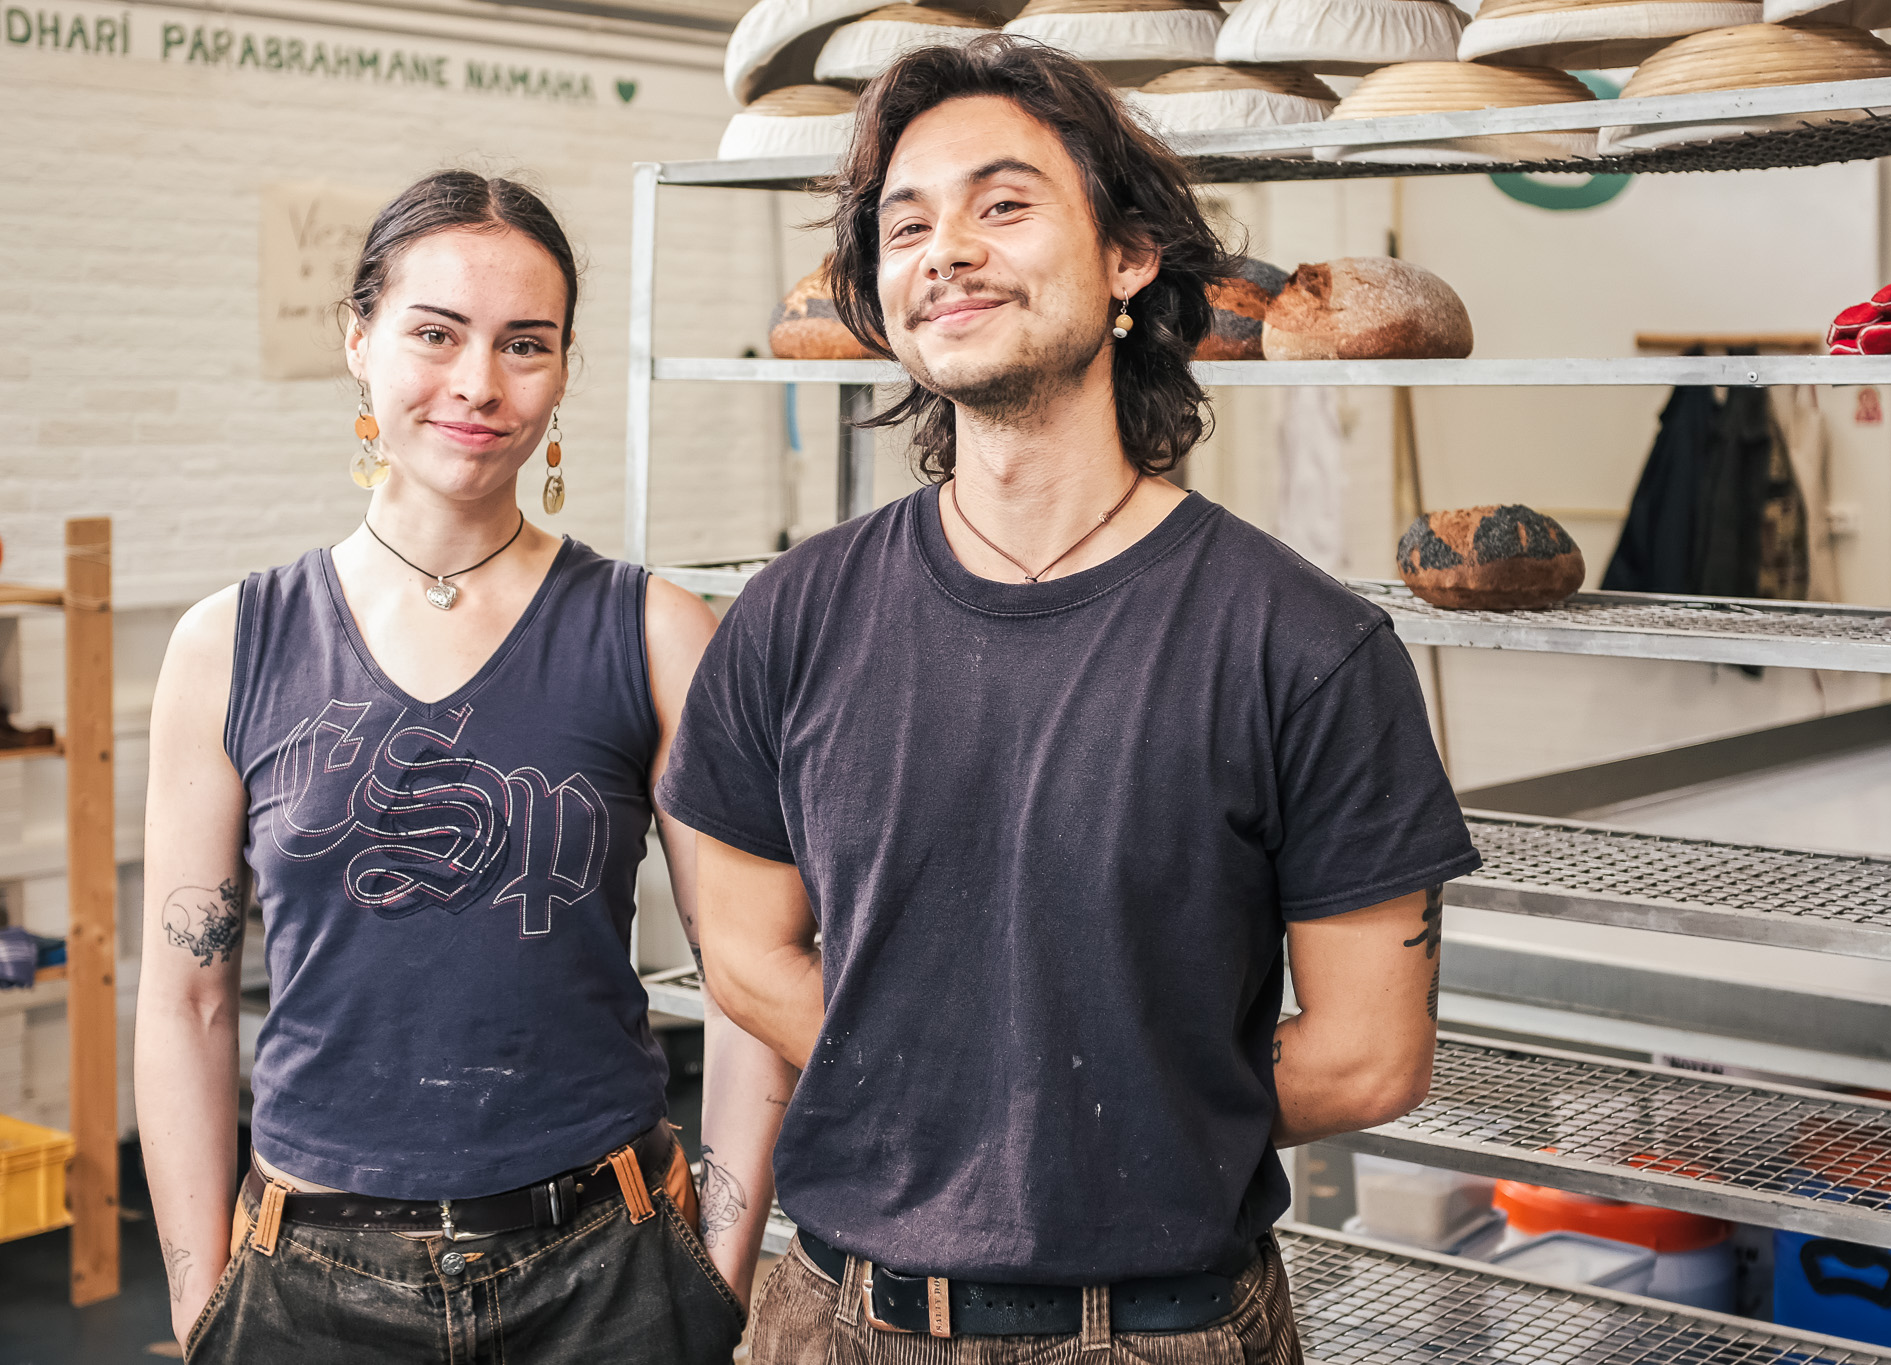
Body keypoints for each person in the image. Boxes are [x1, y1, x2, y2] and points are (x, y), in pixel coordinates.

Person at [659, 35, 1481, 1365]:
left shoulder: (1302, 646)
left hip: (1161, 1334)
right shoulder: (790, 620)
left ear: (1129, 259)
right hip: (834, 1319)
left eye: (1004, 203)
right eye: (905, 223)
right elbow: (748, 953)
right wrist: (978, 1094)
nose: (947, 250)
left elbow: (1369, 1056)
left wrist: (1097, 1111)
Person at [134, 169, 792, 1363]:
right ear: (359, 340)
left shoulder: (655, 633)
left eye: (524, 344)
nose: (479, 384)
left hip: (606, 1268)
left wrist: (719, 1269)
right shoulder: (228, 643)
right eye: (434, 333)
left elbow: (750, 976)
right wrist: (199, 1301)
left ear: (562, 367)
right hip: (308, 1275)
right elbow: (183, 1000)